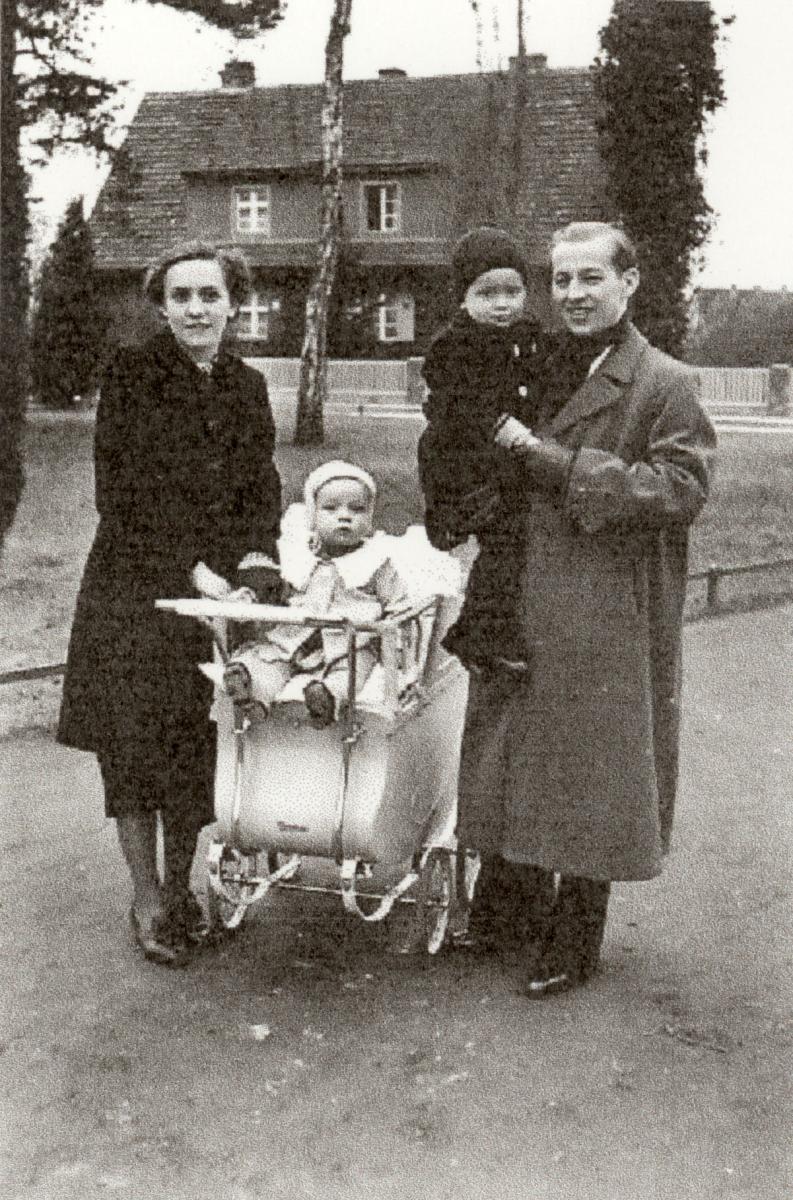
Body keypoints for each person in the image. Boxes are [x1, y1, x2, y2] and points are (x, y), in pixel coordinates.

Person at [428, 220, 717, 995]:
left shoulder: (662, 380)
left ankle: (573, 937)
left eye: (591, 278)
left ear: (628, 283)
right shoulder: (535, 360)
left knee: (594, 763)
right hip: (522, 589)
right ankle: (504, 913)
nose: (574, 294)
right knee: (512, 751)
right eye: (561, 279)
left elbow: (680, 489)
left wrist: (555, 464)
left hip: (604, 604)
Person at [57, 241, 282, 966]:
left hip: (214, 600)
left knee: (190, 748)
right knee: (133, 750)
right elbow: (120, 493)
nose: (195, 308)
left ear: (231, 303)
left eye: (208, 295)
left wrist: (255, 557)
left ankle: (180, 888)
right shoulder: (132, 374)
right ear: (161, 305)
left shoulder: (246, 384)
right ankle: (147, 897)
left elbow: (259, 486)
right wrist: (192, 569)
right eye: (180, 296)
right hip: (135, 591)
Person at [418, 226, 545, 668]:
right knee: (502, 542)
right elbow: (457, 399)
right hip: (461, 459)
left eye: (513, 291)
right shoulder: (455, 343)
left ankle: (480, 633)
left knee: (510, 546)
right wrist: (502, 423)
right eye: (487, 293)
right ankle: (478, 634)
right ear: (464, 297)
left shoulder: (528, 336)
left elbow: (543, 377)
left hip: (501, 463)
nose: (502, 303)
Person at [221, 460, 412, 728]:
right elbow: (278, 592)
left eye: (357, 509)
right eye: (331, 509)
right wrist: (252, 595)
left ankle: (326, 698)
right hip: (294, 639)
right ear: (313, 517)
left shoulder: (378, 562)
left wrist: (397, 643)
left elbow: (399, 605)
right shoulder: (297, 557)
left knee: (351, 674)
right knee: (267, 658)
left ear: (370, 518)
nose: (344, 516)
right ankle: (252, 692)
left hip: (349, 645)